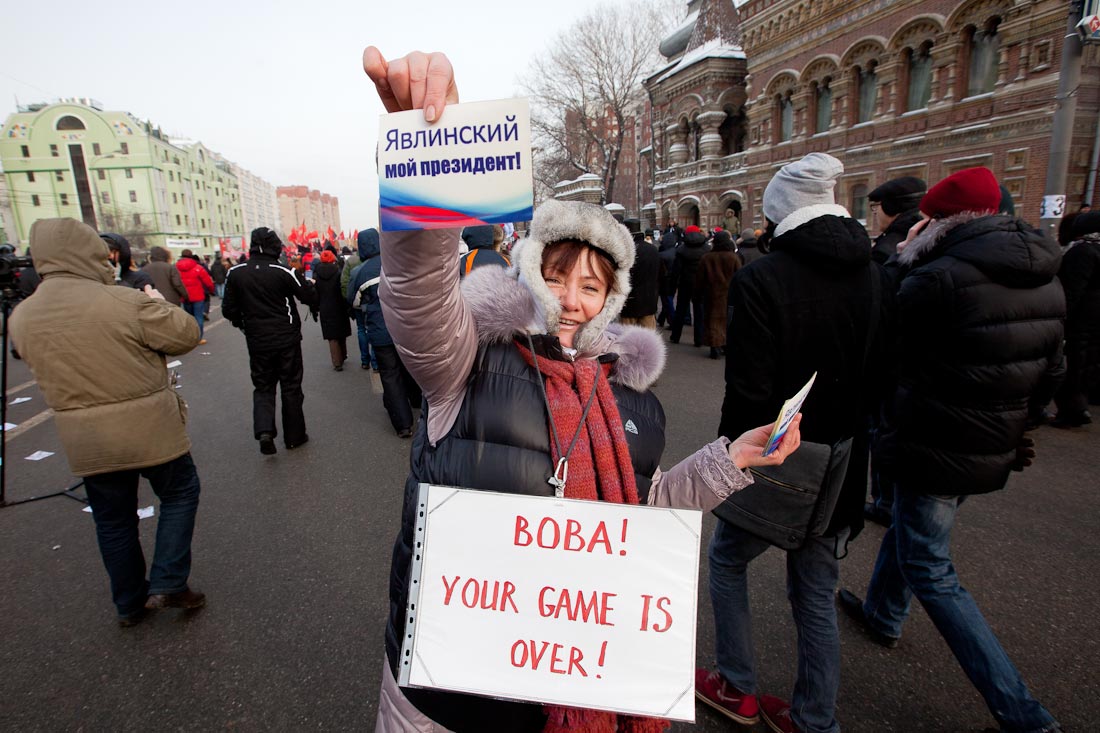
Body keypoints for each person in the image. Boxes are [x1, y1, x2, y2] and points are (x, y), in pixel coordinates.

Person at [362, 46, 803, 733]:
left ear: (610, 299)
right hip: (449, 693)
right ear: (527, 270)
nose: (570, 299)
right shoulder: (465, 362)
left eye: (590, 285)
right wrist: (430, 159)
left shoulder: (631, 400)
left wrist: (731, 460)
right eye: (558, 274)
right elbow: (418, 298)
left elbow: (638, 508)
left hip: (563, 687)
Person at [839, 166, 1064, 733]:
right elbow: (1051, 371)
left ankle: (1024, 715)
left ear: (936, 223)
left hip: (935, 437)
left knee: (931, 566)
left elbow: (885, 342)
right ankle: (884, 614)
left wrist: (900, 260)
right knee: (914, 533)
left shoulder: (936, 276)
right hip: (992, 438)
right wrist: (1018, 427)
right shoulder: (1043, 272)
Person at [700, 152, 894, 733]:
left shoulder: (761, 276)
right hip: (843, 459)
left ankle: (737, 685)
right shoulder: (877, 274)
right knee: (814, 590)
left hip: (775, 451)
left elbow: (749, 390)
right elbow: (885, 376)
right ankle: (816, 718)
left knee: (727, 560)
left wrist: (726, 462)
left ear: (782, 212)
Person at [9, 218, 205, 627]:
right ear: (93, 254)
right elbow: (186, 334)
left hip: (86, 436)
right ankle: (168, 579)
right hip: (150, 427)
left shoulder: (23, 316)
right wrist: (158, 301)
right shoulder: (124, 301)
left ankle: (129, 604)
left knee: (113, 520)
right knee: (180, 491)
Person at [222, 227, 319, 455]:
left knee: (263, 386)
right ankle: (295, 436)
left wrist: (244, 324)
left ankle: (265, 431)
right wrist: (309, 286)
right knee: (291, 386)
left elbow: (228, 309)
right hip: (286, 339)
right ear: (274, 245)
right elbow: (308, 296)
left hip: (257, 341)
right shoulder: (282, 271)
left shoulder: (236, 273)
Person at [346, 226, 422, 437]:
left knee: (390, 375)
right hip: (405, 327)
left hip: (380, 332)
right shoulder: (398, 263)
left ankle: (403, 424)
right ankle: (417, 402)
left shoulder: (360, 272)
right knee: (410, 366)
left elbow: (353, 301)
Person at [1051, 210, 1100, 427]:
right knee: (1089, 361)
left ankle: (1073, 410)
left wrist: (1060, 318)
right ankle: (1081, 404)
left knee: (1074, 363)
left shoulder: (1082, 252)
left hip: (1081, 319)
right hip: (1094, 319)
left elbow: (1070, 290)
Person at [696, 229, 741, 359]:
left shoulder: (707, 257)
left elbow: (700, 279)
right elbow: (740, 277)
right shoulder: (733, 257)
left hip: (711, 294)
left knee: (713, 320)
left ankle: (714, 346)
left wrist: (697, 295)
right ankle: (726, 345)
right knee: (729, 321)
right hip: (730, 294)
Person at [867, 176, 925, 266]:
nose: (875, 213)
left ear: (890, 207)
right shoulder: (931, 234)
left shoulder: (885, 250)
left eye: (876, 206)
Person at [313, 249, 352, 370]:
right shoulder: (338, 272)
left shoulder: (316, 274)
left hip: (325, 307)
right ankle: (343, 354)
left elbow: (315, 293)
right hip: (339, 305)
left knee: (331, 336)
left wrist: (314, 307)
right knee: (341, 331)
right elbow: (343, 288)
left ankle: (336, 362)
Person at [669, 224, 708, 346]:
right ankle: (699, 339)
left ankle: (675, 336)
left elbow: (676, 271)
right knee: (699, 311)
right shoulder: (707, 249)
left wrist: (672, 286)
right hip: (701, 284)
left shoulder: (681, 249)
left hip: (685, 283)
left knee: (680, 309)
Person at [618, 218, 660, 329]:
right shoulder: (653, 250)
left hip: (629, 304)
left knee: (626, 340)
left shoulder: (623, 252)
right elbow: (660, 275)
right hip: (649, 302)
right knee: (649, 341)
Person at [176, 249, 214, 344]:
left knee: (189, 318)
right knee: (198, 317)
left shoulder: (175, 268)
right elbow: (207, 281)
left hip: (184, 296)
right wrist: (211, 290)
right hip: (197, 296)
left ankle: (190, 337)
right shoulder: (198, 267)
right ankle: (199, 338)